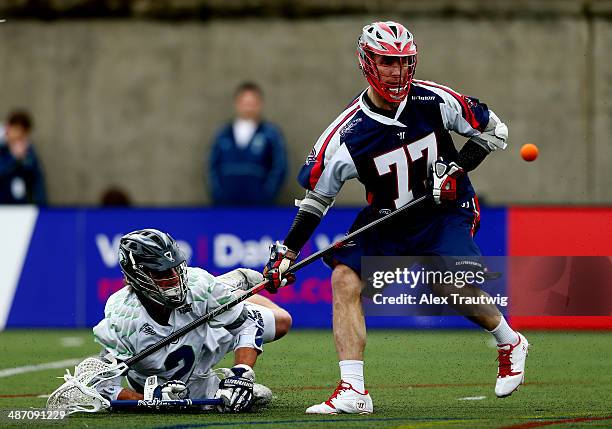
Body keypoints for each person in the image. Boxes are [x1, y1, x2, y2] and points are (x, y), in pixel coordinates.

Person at [263, 21, 528, 414]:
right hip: (387, 217)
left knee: (448, 285)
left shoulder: (435, 100)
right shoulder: (345, 135)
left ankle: (509, 340)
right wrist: (288, 251)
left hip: (444, 212)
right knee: (343, 277)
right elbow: (317, 200)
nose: (398, 72)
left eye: (405, 63)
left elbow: (494, 132)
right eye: (388, 62)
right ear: (367, 63)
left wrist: (454, 169)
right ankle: (354, 391)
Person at [93, 229, 292, 412]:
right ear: (136, 276)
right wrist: (150, 399)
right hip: (173, 381)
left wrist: (241, 372)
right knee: (242, 402)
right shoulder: (123, 317)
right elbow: (105, 388)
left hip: (203, 331)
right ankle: (227, 291)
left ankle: (230, 292)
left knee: (282, 321)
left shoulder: (196, 284)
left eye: (175, 268)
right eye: (161, 272)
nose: (174, 278)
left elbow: (247, 324)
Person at [208, 82, 288, 206]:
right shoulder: (223, 134)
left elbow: (280, 166)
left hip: (259, 207)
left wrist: (266, 194)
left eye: (252, 104)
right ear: (237, 104)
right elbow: (212, 166)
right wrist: (218, 193)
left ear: (260, 104)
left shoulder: (271, 134)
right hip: (225, 205)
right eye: (245, 103)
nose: (248, 108)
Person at [0, 110, 47, 205]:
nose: (18, 136)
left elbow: (37, 181)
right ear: (8, 128)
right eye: (16, 130)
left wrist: (42, 206)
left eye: (23, 134)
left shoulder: (29, 153)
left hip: (21, 208)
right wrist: (13, 158)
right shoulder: (2, 149)